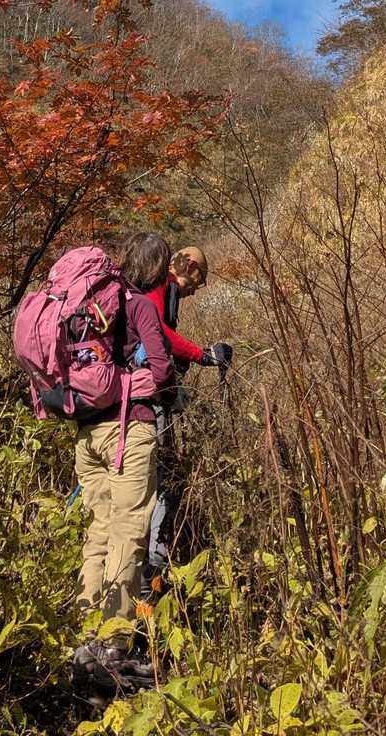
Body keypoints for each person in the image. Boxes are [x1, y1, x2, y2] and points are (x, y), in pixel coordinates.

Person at [71, 232, 175, 694]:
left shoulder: (98, 307)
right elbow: (163, 369)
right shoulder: (142, 306)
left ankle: (86, 640)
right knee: (129, 533)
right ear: (157, 269)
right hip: (127, 431)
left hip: (87, 433)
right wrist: (152, 385)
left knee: (98, 532)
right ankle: (114, 647)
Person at [142, 245, 232, 596]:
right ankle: (149, 574)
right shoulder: (158, 285)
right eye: (200, 279)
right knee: (165, 481)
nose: (197, 289)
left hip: (141, 397)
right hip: (144, 401)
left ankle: (147, 570)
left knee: (159, 480)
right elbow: (157, 333)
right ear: (189, 268)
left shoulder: (161, 289)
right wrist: (203, 355)